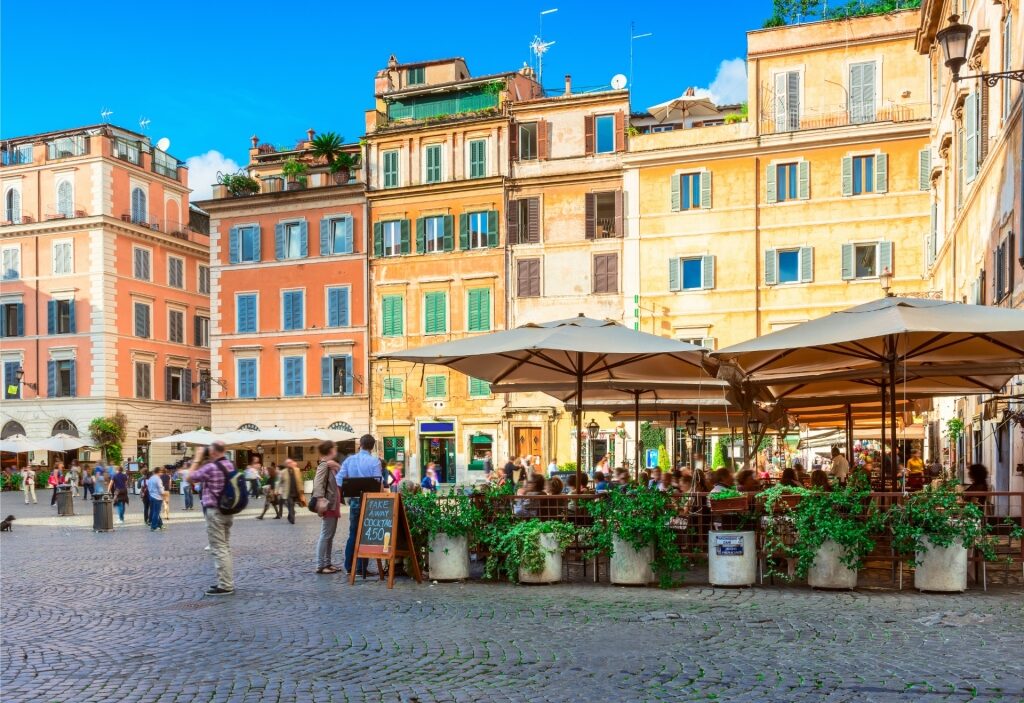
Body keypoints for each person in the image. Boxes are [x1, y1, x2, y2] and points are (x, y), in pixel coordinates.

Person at [187, 442, 236, 596]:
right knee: (225, 546)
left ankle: (226, 585)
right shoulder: (230, 465)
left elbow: (190, 477)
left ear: (213, 452)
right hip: (228, 510)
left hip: (215, 511)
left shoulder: (211, 467)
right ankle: (225, 581)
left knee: (219, 547)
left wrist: (197, 458)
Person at [337, 434, 384, 576]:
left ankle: (349, 566)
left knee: (353, 534)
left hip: (355, 500)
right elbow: (378, 483)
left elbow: (338, 480)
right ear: (372, 447)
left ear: (360, 445)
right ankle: (361, 568)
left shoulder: (349, 460)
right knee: (366, 535)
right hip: (370, 501)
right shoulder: (375, 461)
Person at [312, 441, 342, 574]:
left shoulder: (331, 465)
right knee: (325, 535)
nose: (336, 449)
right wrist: (320, 501)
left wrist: (337, 466)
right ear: (330, 450)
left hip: (333, 504)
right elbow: (318, 484)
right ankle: (320, 565)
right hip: (328, 505)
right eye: (335, 448)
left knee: (330, 535)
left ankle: (327, 563)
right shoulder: (324, 465)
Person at [279, 459, 306, 524]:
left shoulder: (297, 470)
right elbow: (279, 482)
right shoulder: (283, 472)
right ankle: (292, 519)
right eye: (288, 463)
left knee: (293, 505)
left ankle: (289, 516)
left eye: (290, 462)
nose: (290, 464)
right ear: (286, 464)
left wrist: (302, 490)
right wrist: (278, 490)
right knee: (290, 504)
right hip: (288, 492)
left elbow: (300, 480)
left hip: (296, 491)